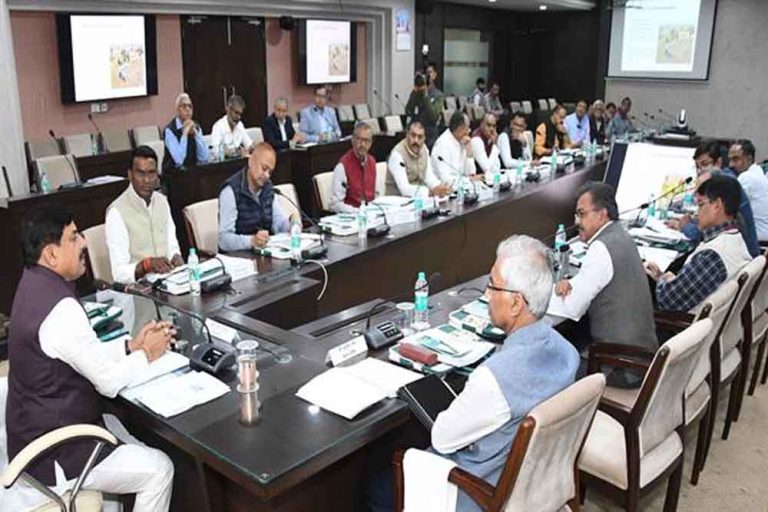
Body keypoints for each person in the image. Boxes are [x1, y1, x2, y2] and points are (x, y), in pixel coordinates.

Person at [365, 235, 579, 512]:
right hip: (536, 484)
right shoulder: (568, 353)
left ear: (516, 304)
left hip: (480, 493)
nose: (487, 295)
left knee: (377, 488)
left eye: (493, 285)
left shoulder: (494, 379)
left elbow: (443, 438)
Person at [6, 206, 175, 512]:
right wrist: (148, 353)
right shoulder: (60, 309)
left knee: (123, 431)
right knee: (159, 468)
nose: (84, 243)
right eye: (74, 237)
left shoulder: (31, 283)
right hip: (56, 452)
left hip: (32, 433)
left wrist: (130, 346)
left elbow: (79, 352)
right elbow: (108, 382)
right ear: (51, 254)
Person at [550, 182, 658, 386]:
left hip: (622, 368)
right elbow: (593, 281)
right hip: (642, 357)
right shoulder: (621, 235)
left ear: (602, 215)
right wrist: (571, 284)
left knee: (550, 371)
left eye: (582, 214)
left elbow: (572, 307)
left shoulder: (601, 248)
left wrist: (536, 299)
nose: (576, 221)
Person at [647, 175, 751, 312]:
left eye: (701, 205)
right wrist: (662, 277)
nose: (696, 213)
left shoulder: (711, 256)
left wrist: (663, 278)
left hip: (679, 323)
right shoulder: (735, 238)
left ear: (717, 205)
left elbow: (668, 300)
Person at [666, 140, 760, 257]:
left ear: (718, 163)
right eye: (697, 166)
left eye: (705, 164)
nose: (700, 170)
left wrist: (684, 226)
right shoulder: (724, 178)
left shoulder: (725, 184)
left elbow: (699, 233)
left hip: (744, 255)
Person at [106, 146, 183, 283]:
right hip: (139, 289)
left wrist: (176, 256)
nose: (147, 180)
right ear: (130, 175)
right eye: (141, 173)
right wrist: (146, 265)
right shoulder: (116, 212)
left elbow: (172, 245)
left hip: (170, 282)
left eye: (151, 173)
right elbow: (119, 274)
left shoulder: (162, 201)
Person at [218, 142, 291, 251]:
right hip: (239, 257)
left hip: (264, 254)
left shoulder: (268, 187)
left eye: (270, 172)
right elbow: (224, 240)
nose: (267, 175)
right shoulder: (231, 190)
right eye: (264, 168)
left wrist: (291, 225)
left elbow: (278, 223)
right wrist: (252, 241)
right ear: (251, 162)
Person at [385, 120, 452, 198]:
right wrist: (431, 192)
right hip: (397, 201)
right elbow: (404, 189)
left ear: (424, 138)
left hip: (418, 199)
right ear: (407, 135)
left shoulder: (424, 150)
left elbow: (429, 177)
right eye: (413, 135)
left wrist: (441, 188)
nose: (416, 140)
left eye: (420, 137)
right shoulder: (397, 155)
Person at [329, 122, 377, 213]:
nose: (363, 144)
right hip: (352, 215)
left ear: (371, 143)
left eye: (366, 141)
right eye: (359, 140)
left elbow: (375, 194)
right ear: (353, 140)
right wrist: (356, 211)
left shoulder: (372, 161)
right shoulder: (342, 166)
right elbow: (334, 204)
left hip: (370, 213)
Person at [729, 139, 768, 241]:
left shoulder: (747, 177)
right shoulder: (758, 173)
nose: (731, 164)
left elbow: (728, 209)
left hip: (757, 241)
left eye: (736, 159)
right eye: (730, 159)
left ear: (749, 159)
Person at [162, 92, 209, 172]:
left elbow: (204, 158)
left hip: (193, 172)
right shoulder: (169, 130)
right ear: (177, 110)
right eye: (184, 106)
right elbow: (179, 161)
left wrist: (196, 134)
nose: (187, 109)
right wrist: (185, 133)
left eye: (190, 106)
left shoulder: (196, 127)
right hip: (174, 174)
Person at [405, 63, 444, 148]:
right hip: (415, 134)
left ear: (434, 75)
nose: (426, 76)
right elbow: (408, 111)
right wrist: (415, 93)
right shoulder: (416, 93)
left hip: (429, 136)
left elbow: (433, 116)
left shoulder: (438, 95)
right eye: (424, 74)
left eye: (429, 73)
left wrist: (425, 95)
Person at [431, 111, 476, 185]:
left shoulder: (462, 141)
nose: (469, 131)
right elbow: (445, 179)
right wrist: (468, 180)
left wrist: (469, 153)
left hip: (461, 186)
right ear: (460, 129)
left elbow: (471, 173)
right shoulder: (443, 144)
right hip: (443, 189)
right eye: (468, 127)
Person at [210, 94, 253, 159]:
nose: (238, 117)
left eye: (240, 114)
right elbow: (215, 152)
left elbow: (249, 145)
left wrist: (253, 148)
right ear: (228, 109)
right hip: (224, 163)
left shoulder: (240, 125)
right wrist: (228, 152)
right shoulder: (218, 126)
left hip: (238, 162)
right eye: (236, 113)